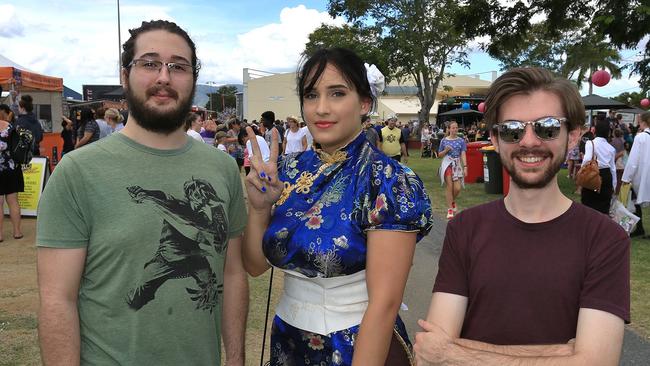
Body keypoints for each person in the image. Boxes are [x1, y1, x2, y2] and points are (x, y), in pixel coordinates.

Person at [36, 20, 248, 366]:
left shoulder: (222, 168)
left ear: (192, 79)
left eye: (178, 66)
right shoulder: (77, 172)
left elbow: (233, 273)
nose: (164, 77)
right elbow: (57, 299)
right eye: (149, 63)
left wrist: (236, 360)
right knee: (143, 290)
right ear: (125, 76)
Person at [415, 67, 629, 366]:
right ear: (495, 139)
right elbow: (429, 357)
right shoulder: (465, 228)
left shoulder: (605, 238)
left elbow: (596, 361)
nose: (529, 141)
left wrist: (454, 353)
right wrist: (563, 353)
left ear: (572, 136)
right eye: (512, 129)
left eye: (548, 127)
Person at [242, 47, 432, 366]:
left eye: (337, 93)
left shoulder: (386, 180)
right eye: (311, 95)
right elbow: (255, 266)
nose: (322, 108)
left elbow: (385, 303)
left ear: (365, 103)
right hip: (288, 338)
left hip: (358, 344)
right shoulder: (286, 171)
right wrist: (260, 208)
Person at [622, 112, 650, 239]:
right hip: (645, 173)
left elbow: (633, 160)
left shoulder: (641, 137)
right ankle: (640, 228)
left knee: (635, 200)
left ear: (642, 121)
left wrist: (626, 177)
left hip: (642, 174)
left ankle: (639, 228)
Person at [580, 117, 616, 214]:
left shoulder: (590, 143)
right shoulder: (611, 148)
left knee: (588, 201)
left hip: (592, 173)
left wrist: (582, 172)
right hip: (606, 175)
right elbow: (613, 168)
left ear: (595, 130)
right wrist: (614, 185)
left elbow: (587, 159)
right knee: (604, 204)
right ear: (608, 133)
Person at [0, 104, 24, 241]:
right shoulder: (9, 127)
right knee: (13, 201)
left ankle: (0, 235)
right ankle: (17, 232)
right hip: (11, 168)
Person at [437, 121, 467, 219]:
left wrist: (465, 166)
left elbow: (463, 154)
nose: (455, 130)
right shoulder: (444, 141)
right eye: (453, 128)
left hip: (457, 165)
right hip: (447, 164)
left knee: (457, 188)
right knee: (450, 186)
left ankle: (452, 201)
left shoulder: (461, 141)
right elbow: (439, 155)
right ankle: (450, 209)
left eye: (456, 128)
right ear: (449, 129)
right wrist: (446, 150)